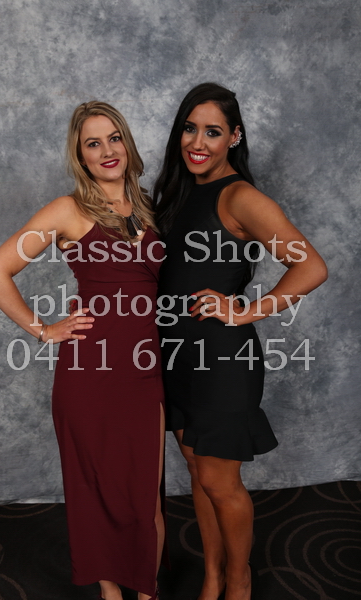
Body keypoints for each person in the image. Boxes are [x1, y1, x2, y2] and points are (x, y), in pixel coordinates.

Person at [0, 101, 165, 600]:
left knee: (145, 499)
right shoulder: (68, 210)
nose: (107, 151)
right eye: (92, 143)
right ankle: (111, 594)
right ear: (80, 156)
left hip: (145, 370)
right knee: (95, 492)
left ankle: (147, 594)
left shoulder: (149, 206)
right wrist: (44, 330)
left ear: (127, 143)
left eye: (114, 138)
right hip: (90, 373)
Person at [153, 82, 328, 600]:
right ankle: (212, 577)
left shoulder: (240, 197)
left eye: (212, 131)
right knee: (198, 474)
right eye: (190, 128)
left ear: (234, 136)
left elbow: (311, 267)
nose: (197, 142)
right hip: (176, 358)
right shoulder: (180, 193)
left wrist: (246, 311)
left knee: (221, 483)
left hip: (222, 361)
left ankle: (239, 581)